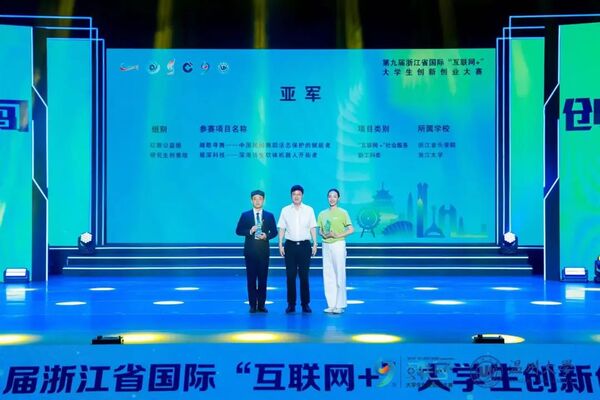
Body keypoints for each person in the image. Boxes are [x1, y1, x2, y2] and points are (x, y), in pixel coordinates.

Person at [235, 189, 278, 313]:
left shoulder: (269, 216)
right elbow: (238, 231)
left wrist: (266, 236)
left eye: (260, 199)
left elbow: (274, 232)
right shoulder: (245, 215)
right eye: (255, 199)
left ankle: (262, 305)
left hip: (263, 252)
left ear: (263, 200)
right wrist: (250, 231)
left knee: (263, 279)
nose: (257, 201)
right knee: (251, 279)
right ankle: (252, 305)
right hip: (250, 252)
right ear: (251, 200)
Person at [277, 184, 318, 313]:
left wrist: (315, 243)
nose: (296, 196)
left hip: (305, 246)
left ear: (302, 196)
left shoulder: (309, 210)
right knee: (290, 276)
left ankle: (305, 304)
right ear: (291, 196)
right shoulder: (285, 210)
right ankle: (291, 304)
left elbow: (312, 227)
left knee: (304, 276)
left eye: (299, 194)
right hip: (290, 246)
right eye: (294, 194)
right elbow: (282, 228)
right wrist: (280, 244)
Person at [317, 188, 354, 314]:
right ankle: (331, 304)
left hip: (338, 244)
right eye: (330, 196)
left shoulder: (343, 212)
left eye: (334, 196)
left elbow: (351, 229)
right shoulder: (322, 214)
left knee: (339, 273)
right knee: (328, 275)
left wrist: (337, 235)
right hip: (326, 244)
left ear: (338, 198)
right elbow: (320, 230)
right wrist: (324, 234)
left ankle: (340, 304)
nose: (332, 198)